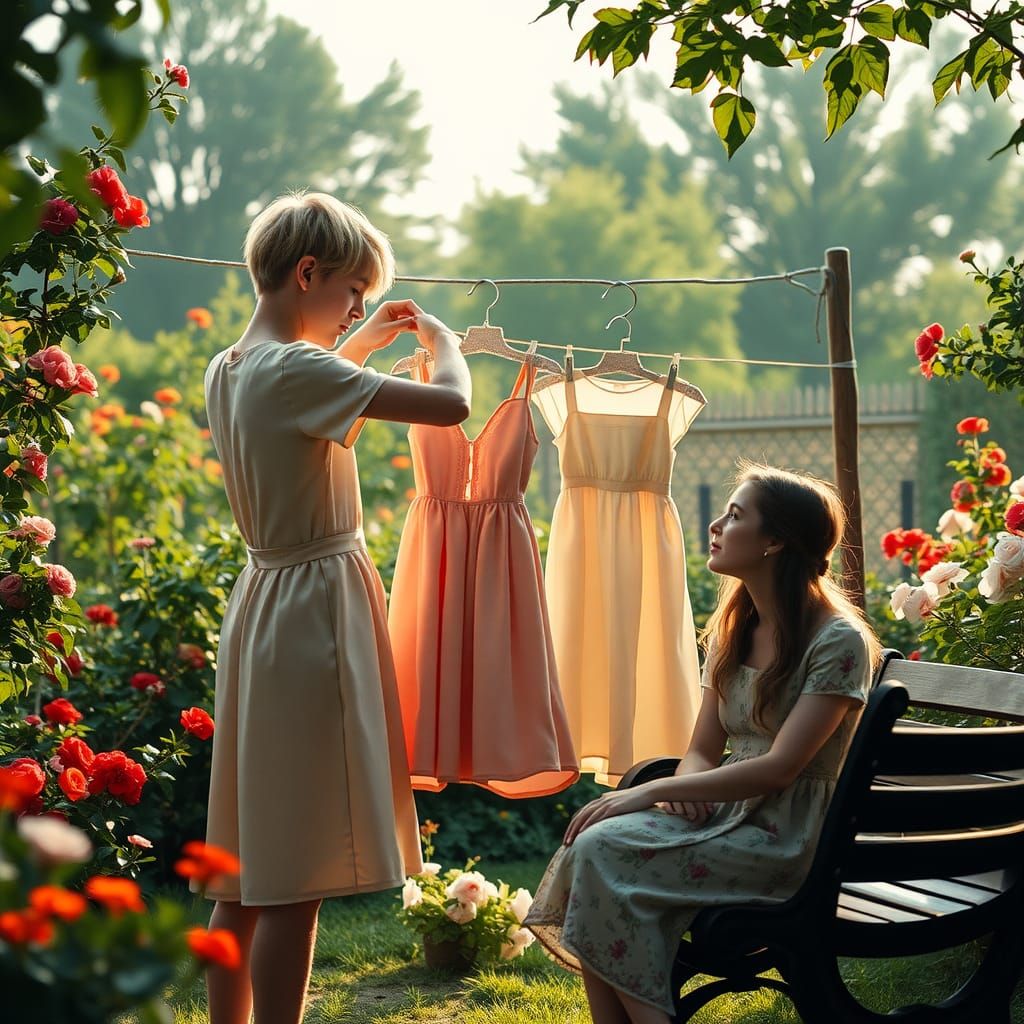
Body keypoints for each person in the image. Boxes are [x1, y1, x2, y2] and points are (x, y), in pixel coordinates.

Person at [199, 191, 472, 1024]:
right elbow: (451, 407)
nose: (356, 305)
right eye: (351, 289)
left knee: (248, 863)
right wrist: (443, 343)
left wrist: (362, 338)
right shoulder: (297, 371)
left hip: (264, 605)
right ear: (306, 272)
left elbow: (305, 392)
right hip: (312, 611)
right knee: (297, 872)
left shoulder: (231, 365)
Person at [524, 462, 882, 1024]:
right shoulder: (735, 628)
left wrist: (650, 792)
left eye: (736, 515)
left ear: (775, 541)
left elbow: (781, 768)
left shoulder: (837, 640)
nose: (716, 524)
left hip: (789, 836)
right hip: (727, 813)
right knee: (595, 844)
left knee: (603, 852)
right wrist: (686, 785)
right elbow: (702, 747)